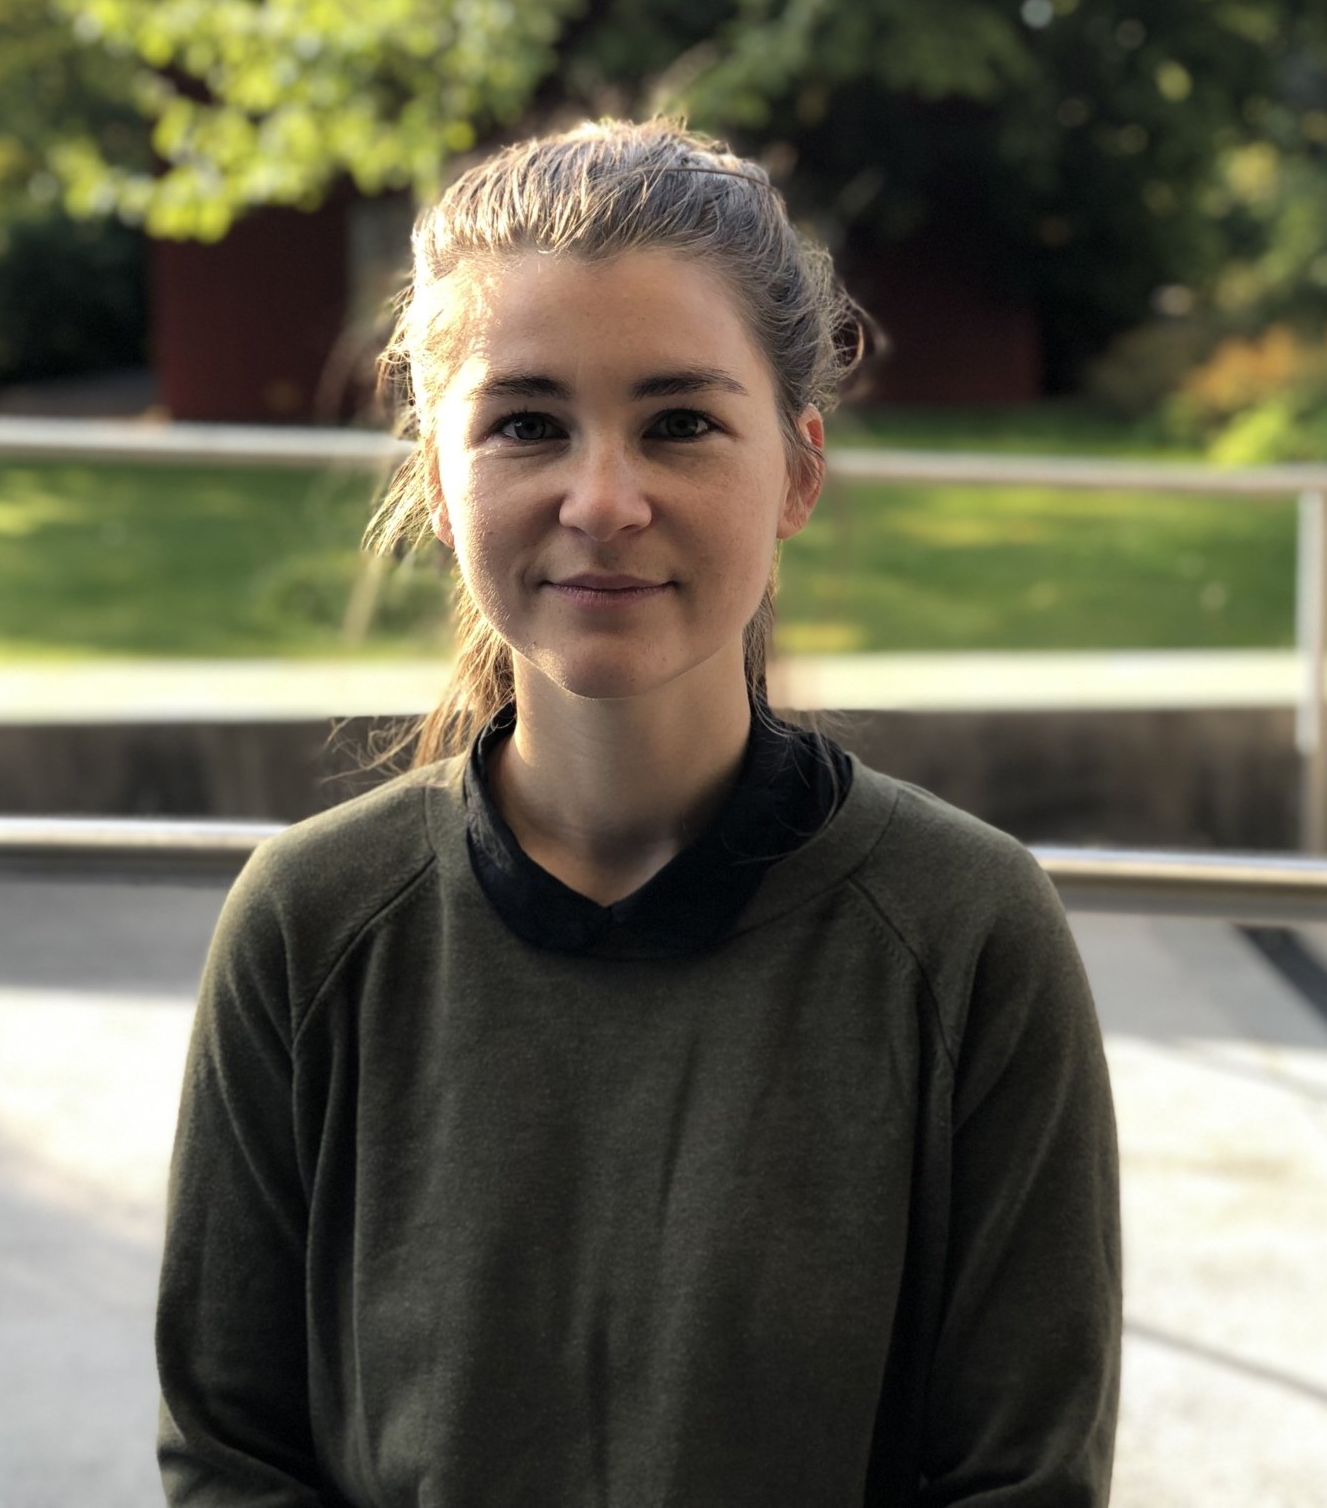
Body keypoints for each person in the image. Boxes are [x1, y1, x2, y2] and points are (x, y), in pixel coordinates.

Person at [155, 116, 1122, 1506]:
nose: (602, 500)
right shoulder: (308, 930)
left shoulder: (968, 938)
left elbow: (1019, 1478)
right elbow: (230, 1452)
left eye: (678, 422)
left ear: (795, 470)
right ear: (437, 476)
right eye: (528, 423)